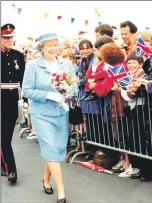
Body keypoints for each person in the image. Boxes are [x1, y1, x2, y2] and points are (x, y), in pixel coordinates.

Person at [22, 32, 77, 203]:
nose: (53, 48)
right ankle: (61, 191)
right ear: (42, 48)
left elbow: (74, 88)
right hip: (41, 114)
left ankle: (46, 179)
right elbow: (27, 91)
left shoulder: (67, 64)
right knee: (51, 148)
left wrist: (66, 92)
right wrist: (49, 95)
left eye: (55, 44)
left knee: (56, 150)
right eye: (49, 45)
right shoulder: (33, 65)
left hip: (61, 113)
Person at [1, 23, 25, 183]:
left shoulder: (18, 54)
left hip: (13, 100)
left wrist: (25, 100)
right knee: (4, 139)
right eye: (5, 37)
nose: (9, 39)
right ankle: (11, 170)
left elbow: (23, 79)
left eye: (11, 37)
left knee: (5, 136)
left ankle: (3, 163)